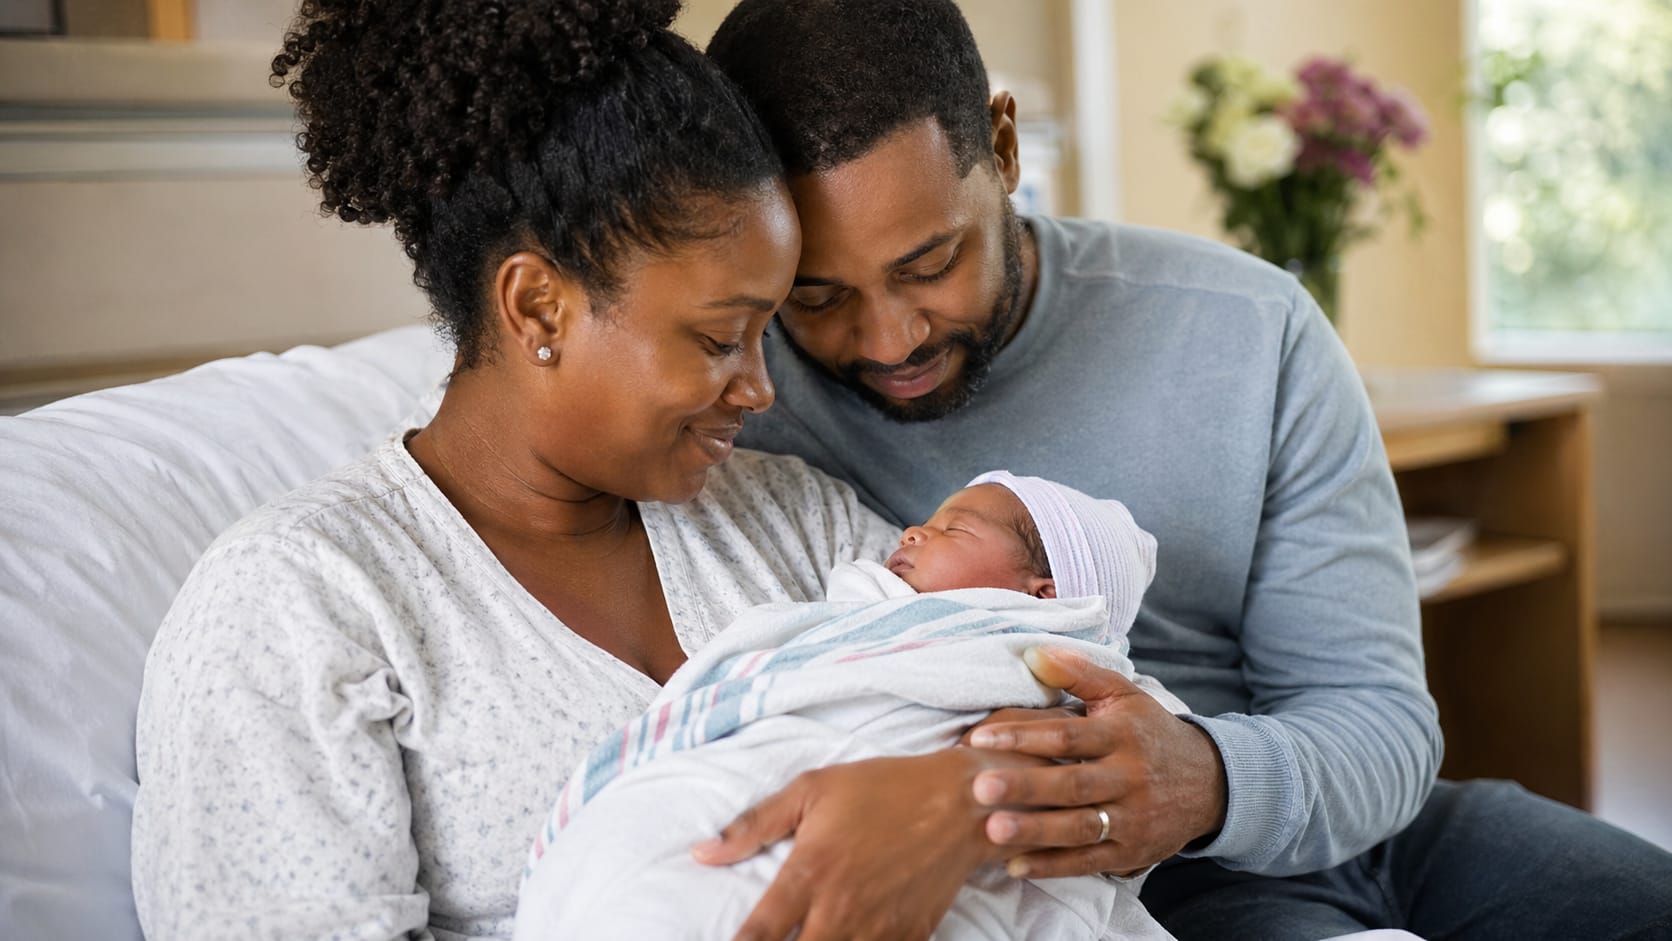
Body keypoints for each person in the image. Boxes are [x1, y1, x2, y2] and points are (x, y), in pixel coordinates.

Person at [698, 1, 1672, 939]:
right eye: (817, 296)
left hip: (1348, 816)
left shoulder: (1247, 325)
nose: (889, 337)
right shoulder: (742, 404)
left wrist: (1201, 772)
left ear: (1003, 149)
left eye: (929, 263)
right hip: (1128, 893)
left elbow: (1378, 724)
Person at [123, 2, 1045, 938]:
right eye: (721, 338)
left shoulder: (795, 521)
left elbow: (1037, 689)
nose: (763, 389)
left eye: (770, 330)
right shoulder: (304, 602)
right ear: (538, 308)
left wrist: (963, 791)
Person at [515, 472, 1182, 940]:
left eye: (954, 527)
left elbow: (1147, 741)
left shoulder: (1049, 662)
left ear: (1043, 597)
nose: (916, 530)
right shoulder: (861, 615)